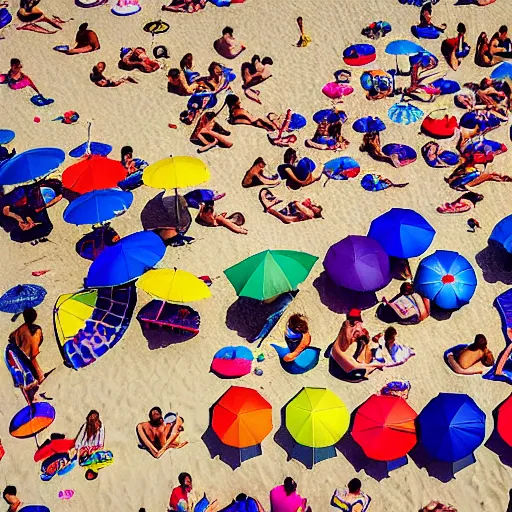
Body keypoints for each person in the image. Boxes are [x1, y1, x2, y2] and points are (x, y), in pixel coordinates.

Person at [330, 310, 384, 382]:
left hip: (341, 369)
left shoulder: (346, 336)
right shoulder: (345, 346)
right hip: (348, 372)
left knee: (364, 344)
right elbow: (354, 365)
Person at [9, 308, 45, 384]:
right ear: (35, 317)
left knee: (30, 363)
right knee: (32, 362)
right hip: (26, 355)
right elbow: (34, 352)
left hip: (19, 353)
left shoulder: (21, 329)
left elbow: (11, 336)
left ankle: (38, 376)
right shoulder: (36, 330)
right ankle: (39, 376)